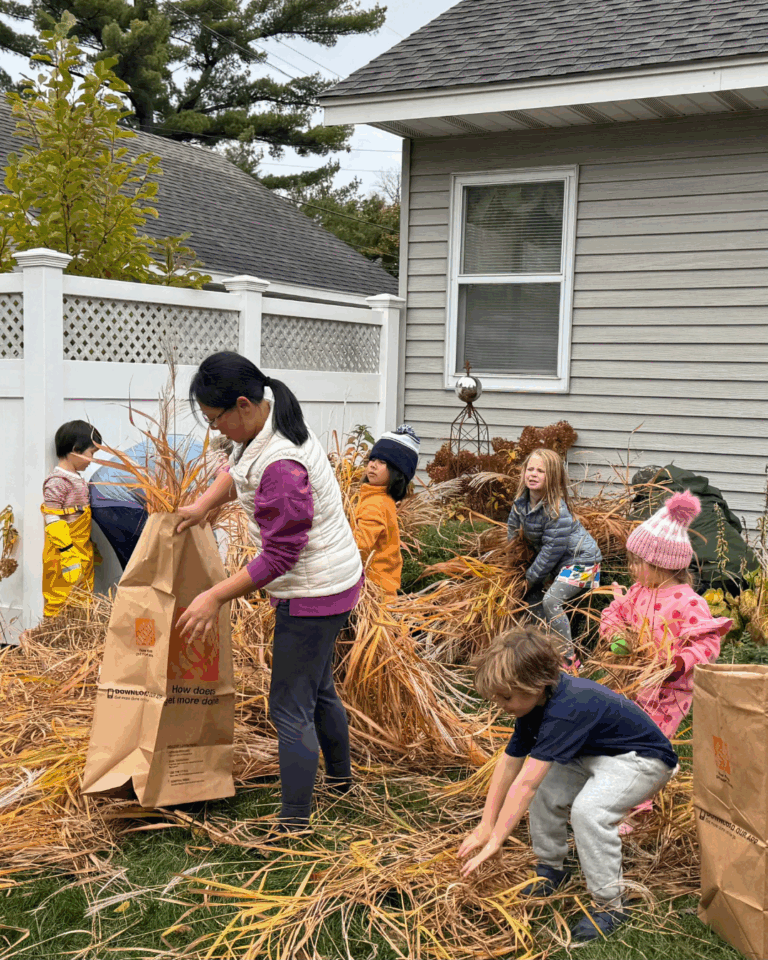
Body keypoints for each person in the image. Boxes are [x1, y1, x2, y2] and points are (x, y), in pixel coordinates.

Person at [175, 351, 363, 832]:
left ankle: (293, 825)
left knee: (289, 707)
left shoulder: (282, 466)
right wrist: (202, 506)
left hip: (313, 592)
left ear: (242, 404)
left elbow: (281, 557)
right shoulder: (270, 414)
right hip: (332, 579)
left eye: (217, 419)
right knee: (318, 689)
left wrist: (215, 595)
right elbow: (237, 470)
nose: (218, 430)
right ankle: (342, 786)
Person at [458, 627, 678, 943]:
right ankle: (551, 868)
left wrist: (497, 840)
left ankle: (610, 904)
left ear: (535, 685)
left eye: (505, 697)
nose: (500, 704)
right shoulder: (535, 705)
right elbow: (510, 764)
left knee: (590, 813)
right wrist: (486, 826)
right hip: (595, 756)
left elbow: (525, 785)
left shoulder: (567, 707)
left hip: (643, 761)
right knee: (547, 789)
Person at [600, 490, 731, 828]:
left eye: (637, 563)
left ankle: (637, 808)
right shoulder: (638, 592)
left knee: (647, 745)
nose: (632, 569)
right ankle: (621, 793)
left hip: (670, 693)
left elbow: (707, 642)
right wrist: (616, 635)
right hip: (635, 684)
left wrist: (679, 664)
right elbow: (614, 611)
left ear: (661, 564)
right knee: (623, 739)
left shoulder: (687, 602)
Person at [507, 449, 601, 663]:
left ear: (553, 477)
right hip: (561, 565)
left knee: (551, 600)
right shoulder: (521, 504)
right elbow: (512, 532)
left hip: (585, 564)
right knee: (531, 600)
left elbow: (551, 552)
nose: (533, 474)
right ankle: (542, 652)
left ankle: (568, 658)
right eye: (529, 469)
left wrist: (528, 580)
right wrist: (512, 562)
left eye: (541, 471)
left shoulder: (556, 511)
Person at [41, 420, 102, 617]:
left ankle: (77, 642)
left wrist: (90, 545)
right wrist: (67, 551)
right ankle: (54, 642)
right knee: (59, 601)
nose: (92, 460)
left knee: (83, 600)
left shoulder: (77, 479)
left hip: (81, 553)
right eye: (91, 453)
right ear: (76, 450)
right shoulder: (58, 481)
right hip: (63, 556)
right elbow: (51, 516)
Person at [354, 425, 420, 596]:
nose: (373, 466)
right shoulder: (382, 499)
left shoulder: (375, 504)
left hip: (372, 593)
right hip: (384, 589)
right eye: (372, 459)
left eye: (382, 462)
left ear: (397, 473)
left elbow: (359, 547)